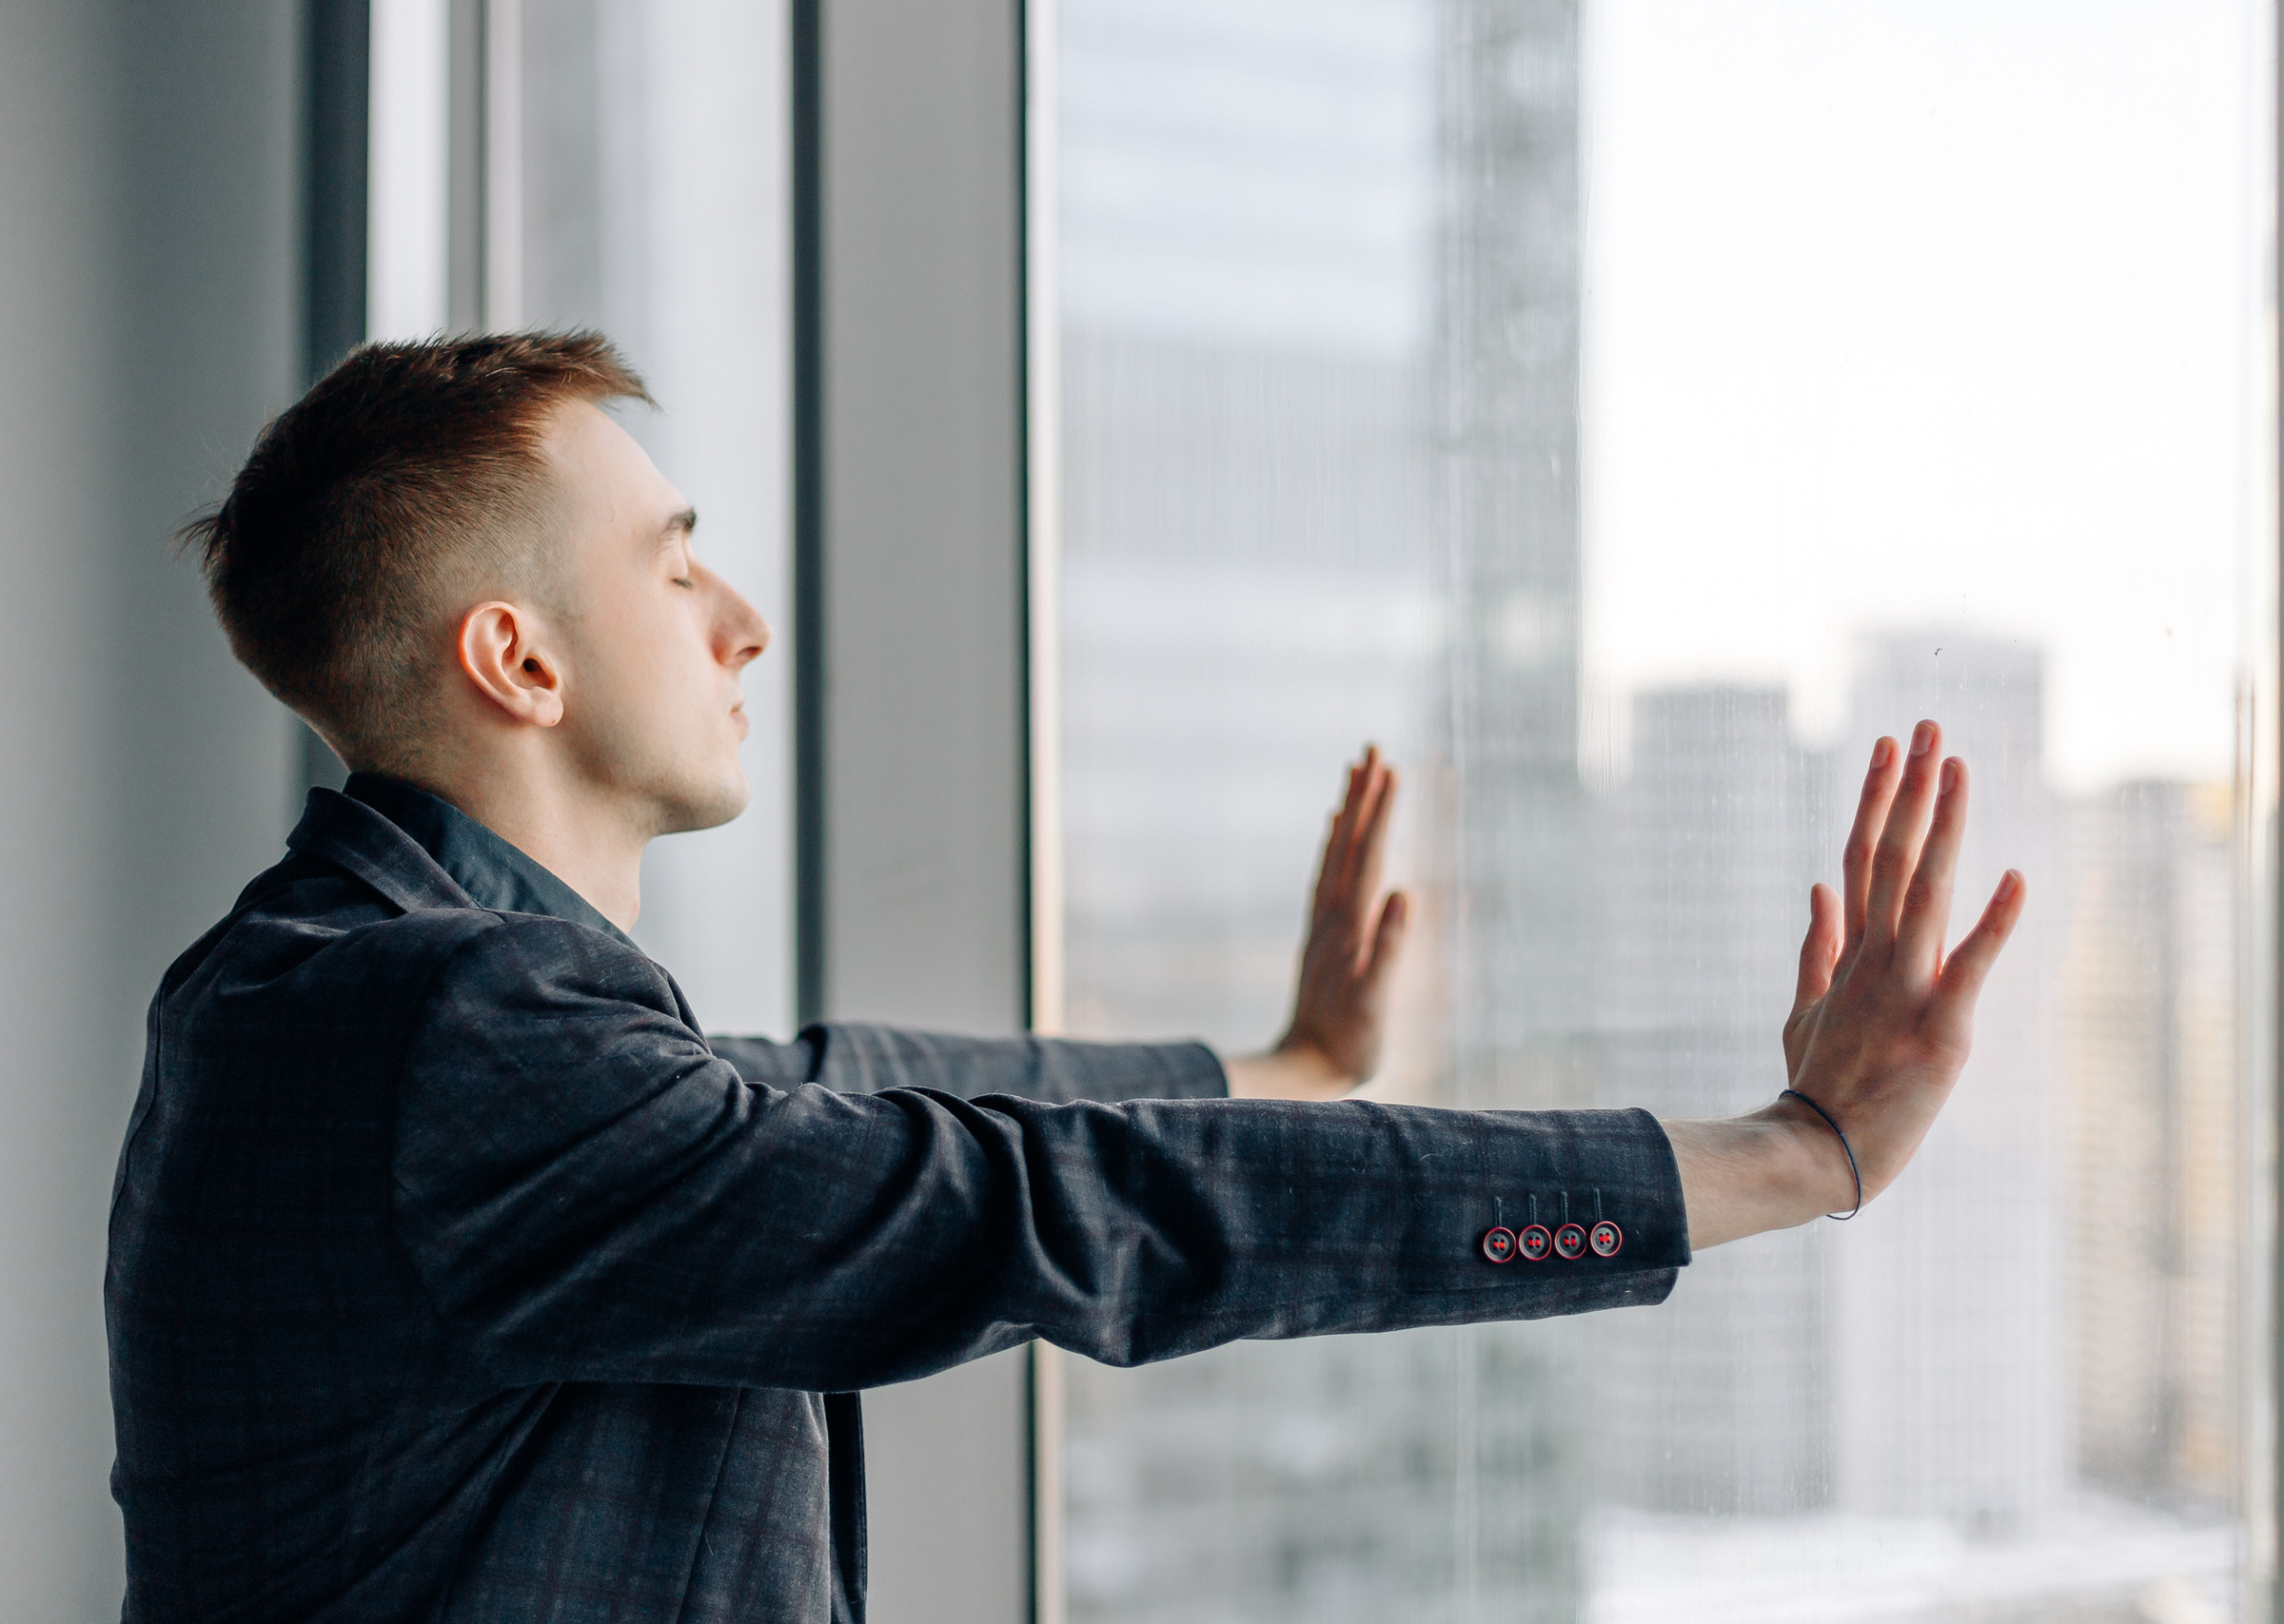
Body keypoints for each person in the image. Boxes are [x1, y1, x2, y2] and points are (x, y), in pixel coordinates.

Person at [105, 333, 2024, 1623]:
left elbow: (846, 1092)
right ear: (518, 661)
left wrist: (1282, 1064)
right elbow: (1030, 1197)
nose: (740, 617)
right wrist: (1793, 1153)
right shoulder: (440, 1028)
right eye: (674, 563)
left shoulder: (333, 985)